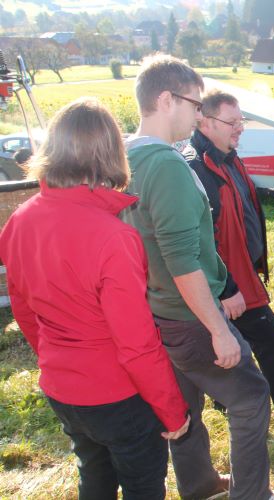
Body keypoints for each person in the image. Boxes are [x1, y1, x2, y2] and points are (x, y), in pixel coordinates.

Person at [122, 55, 274, 500]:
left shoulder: (126, 155)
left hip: (154, 311)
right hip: (188, 315)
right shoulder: (166, 164)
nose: (198, 114)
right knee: (252, 396)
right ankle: (252, 495)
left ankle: (199, 484)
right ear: (166, 100)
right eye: (193, 104)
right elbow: (182, 257)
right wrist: (219, 328)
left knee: (183, 404)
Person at [0, 97, 190, 499]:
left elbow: (24, 309)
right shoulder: (113, 236)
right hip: (117, 395)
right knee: (142, 485)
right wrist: (173, 410)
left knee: (95, 476)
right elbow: (136, 343)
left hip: (61, 387)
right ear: (111, 155)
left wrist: (59, 361)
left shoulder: (20, 219)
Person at [184, 88, 274, 436]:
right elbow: (200, 240)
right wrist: (226, 288)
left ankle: (228, 403)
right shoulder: (197, 166)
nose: (239, 128)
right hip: (228, 283)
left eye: (242, 121)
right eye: (232, 122)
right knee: (271, 341)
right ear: (206, 121)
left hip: (243, 274)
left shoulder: (229, 155)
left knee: (232, 343)